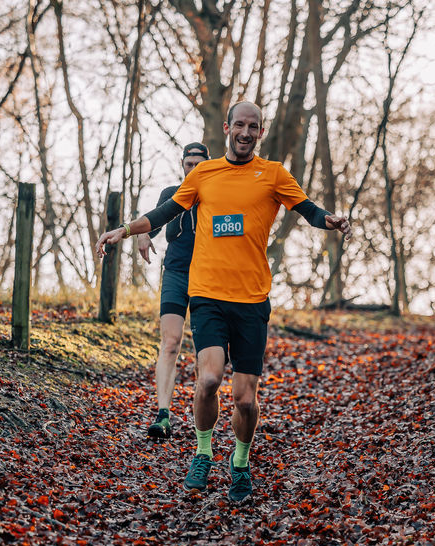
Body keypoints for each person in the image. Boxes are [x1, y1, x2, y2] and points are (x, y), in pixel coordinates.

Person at [96, 101, 350, 503]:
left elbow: (308, 209)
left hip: (251, 299)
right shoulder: (204, 173)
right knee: (210, 380)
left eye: (254, 127)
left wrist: (330, 220)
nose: (246, 133)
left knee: (245, 400)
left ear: (260, 133)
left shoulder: (273, 175)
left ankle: (241, 462)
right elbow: (163, 213)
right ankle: (202, 451)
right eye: (240, 125)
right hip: (208, 295)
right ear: (227, 127)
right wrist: (125, 230)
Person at [137, 142, 210, 439]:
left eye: (198, 164)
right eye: (188, 164)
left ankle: (202, 415)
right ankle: (163, 414)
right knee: (170, 342)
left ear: (207, 165)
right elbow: (152, 223)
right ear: (182, 166)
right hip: (176, 274)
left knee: (205, 350)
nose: (192, 169)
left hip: (209, 277)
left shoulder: (216, 195)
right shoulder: (172, 194)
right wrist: (141, 236)